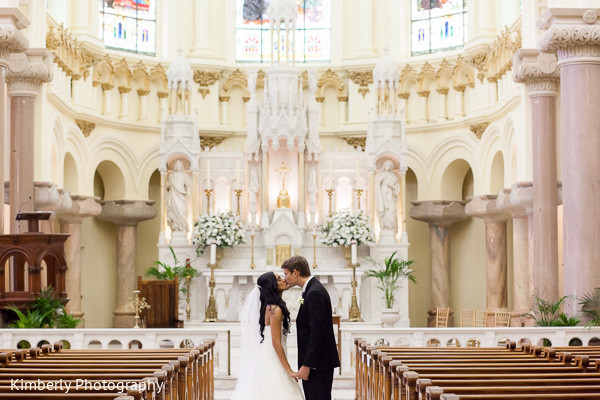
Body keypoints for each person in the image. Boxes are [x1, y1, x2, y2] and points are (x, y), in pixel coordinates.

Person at [231, 272, 304, 400]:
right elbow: (276, 343)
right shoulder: (275, 310)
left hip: (268, 354)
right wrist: (289, 370)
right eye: (279, 279)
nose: (284, 280)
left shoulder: (271, 307)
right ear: (272, 285)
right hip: (272, 356)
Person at [282, 255, 340, 400]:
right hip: (318, 362)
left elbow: (317, 332)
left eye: (286, 274)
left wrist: (308, 365)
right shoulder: (312, 289)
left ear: (296, 272)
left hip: (318, 365)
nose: (285, 278)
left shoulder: (314, 292)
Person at [166, 160, 191, 232]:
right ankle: (175, 228)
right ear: (175, 167)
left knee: (182, 211)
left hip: (181, 196)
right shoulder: (171, 175)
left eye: (180, 165)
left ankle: (183, 228)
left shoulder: (185, 175)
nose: (178, 166)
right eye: (177, 165)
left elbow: (188, 185)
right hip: (173, 195)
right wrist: (167, 185)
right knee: (173, 211)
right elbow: (168, 185)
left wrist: (188, 191)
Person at [375, 160, 400, 230]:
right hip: (383, 194)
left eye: (390, 166)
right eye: (387, 165)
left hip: (391, 196)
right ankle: (385, 227)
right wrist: (380, 181)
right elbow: (376, 185)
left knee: (392, 211)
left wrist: (392, 186)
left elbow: (397, 188)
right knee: (385, 209)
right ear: (384, 166)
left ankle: (392, 228)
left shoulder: (393, 176)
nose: (388, 167)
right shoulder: (380, 175)